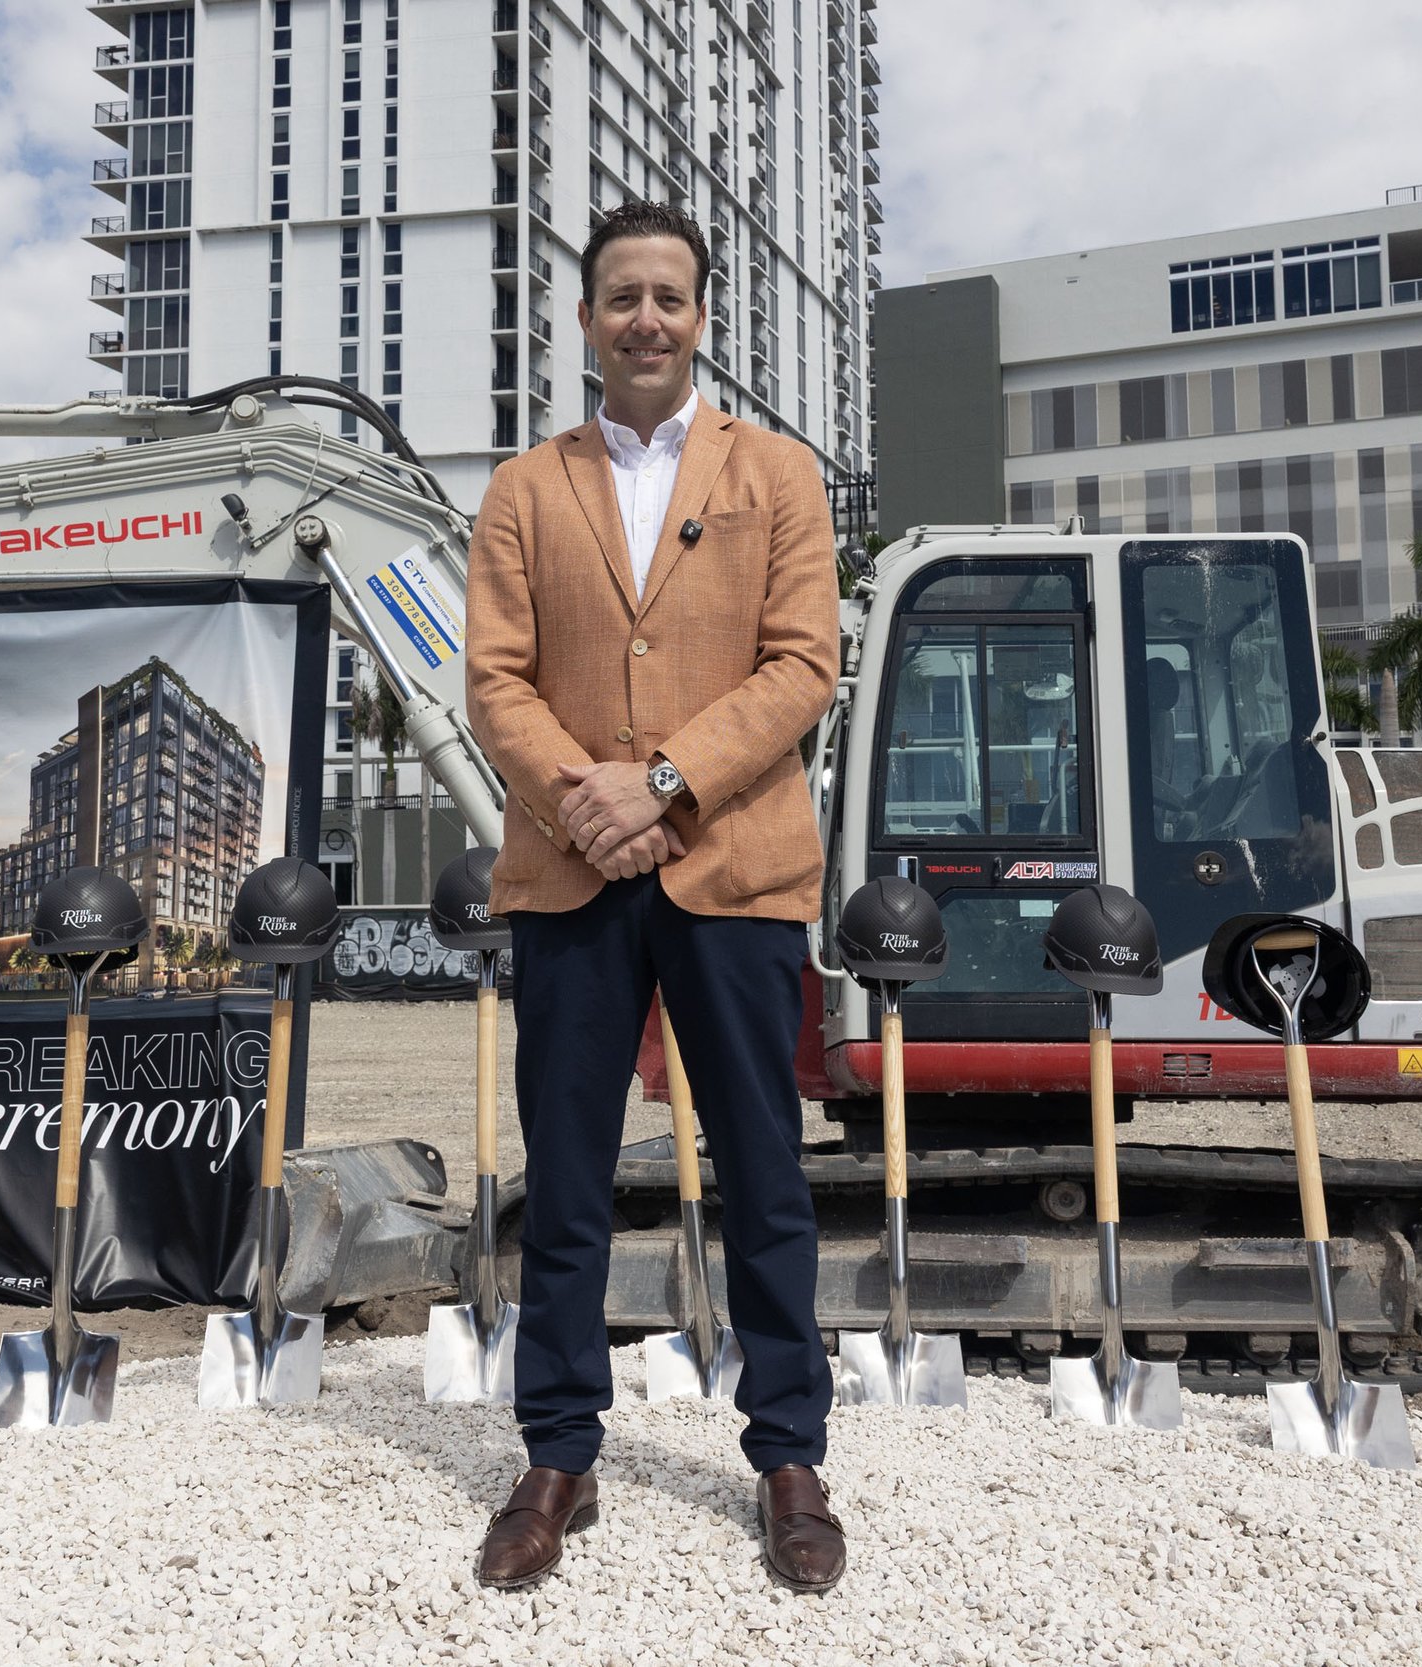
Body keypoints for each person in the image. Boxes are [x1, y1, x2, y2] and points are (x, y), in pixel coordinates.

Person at [463, 198, 844, 1593]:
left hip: (736, 869)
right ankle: (557, 1455)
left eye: (667, 297)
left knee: (765, 1173)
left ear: (701, 316)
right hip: (571, 873)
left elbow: (802, 665)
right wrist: (591, 800)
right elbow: (496, 679)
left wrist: (664, 785)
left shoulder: (778, 474)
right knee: (566, 1180)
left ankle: (789, 1457)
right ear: (584, 320)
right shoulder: (525, 488)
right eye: (620, 296)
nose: (644, 319)